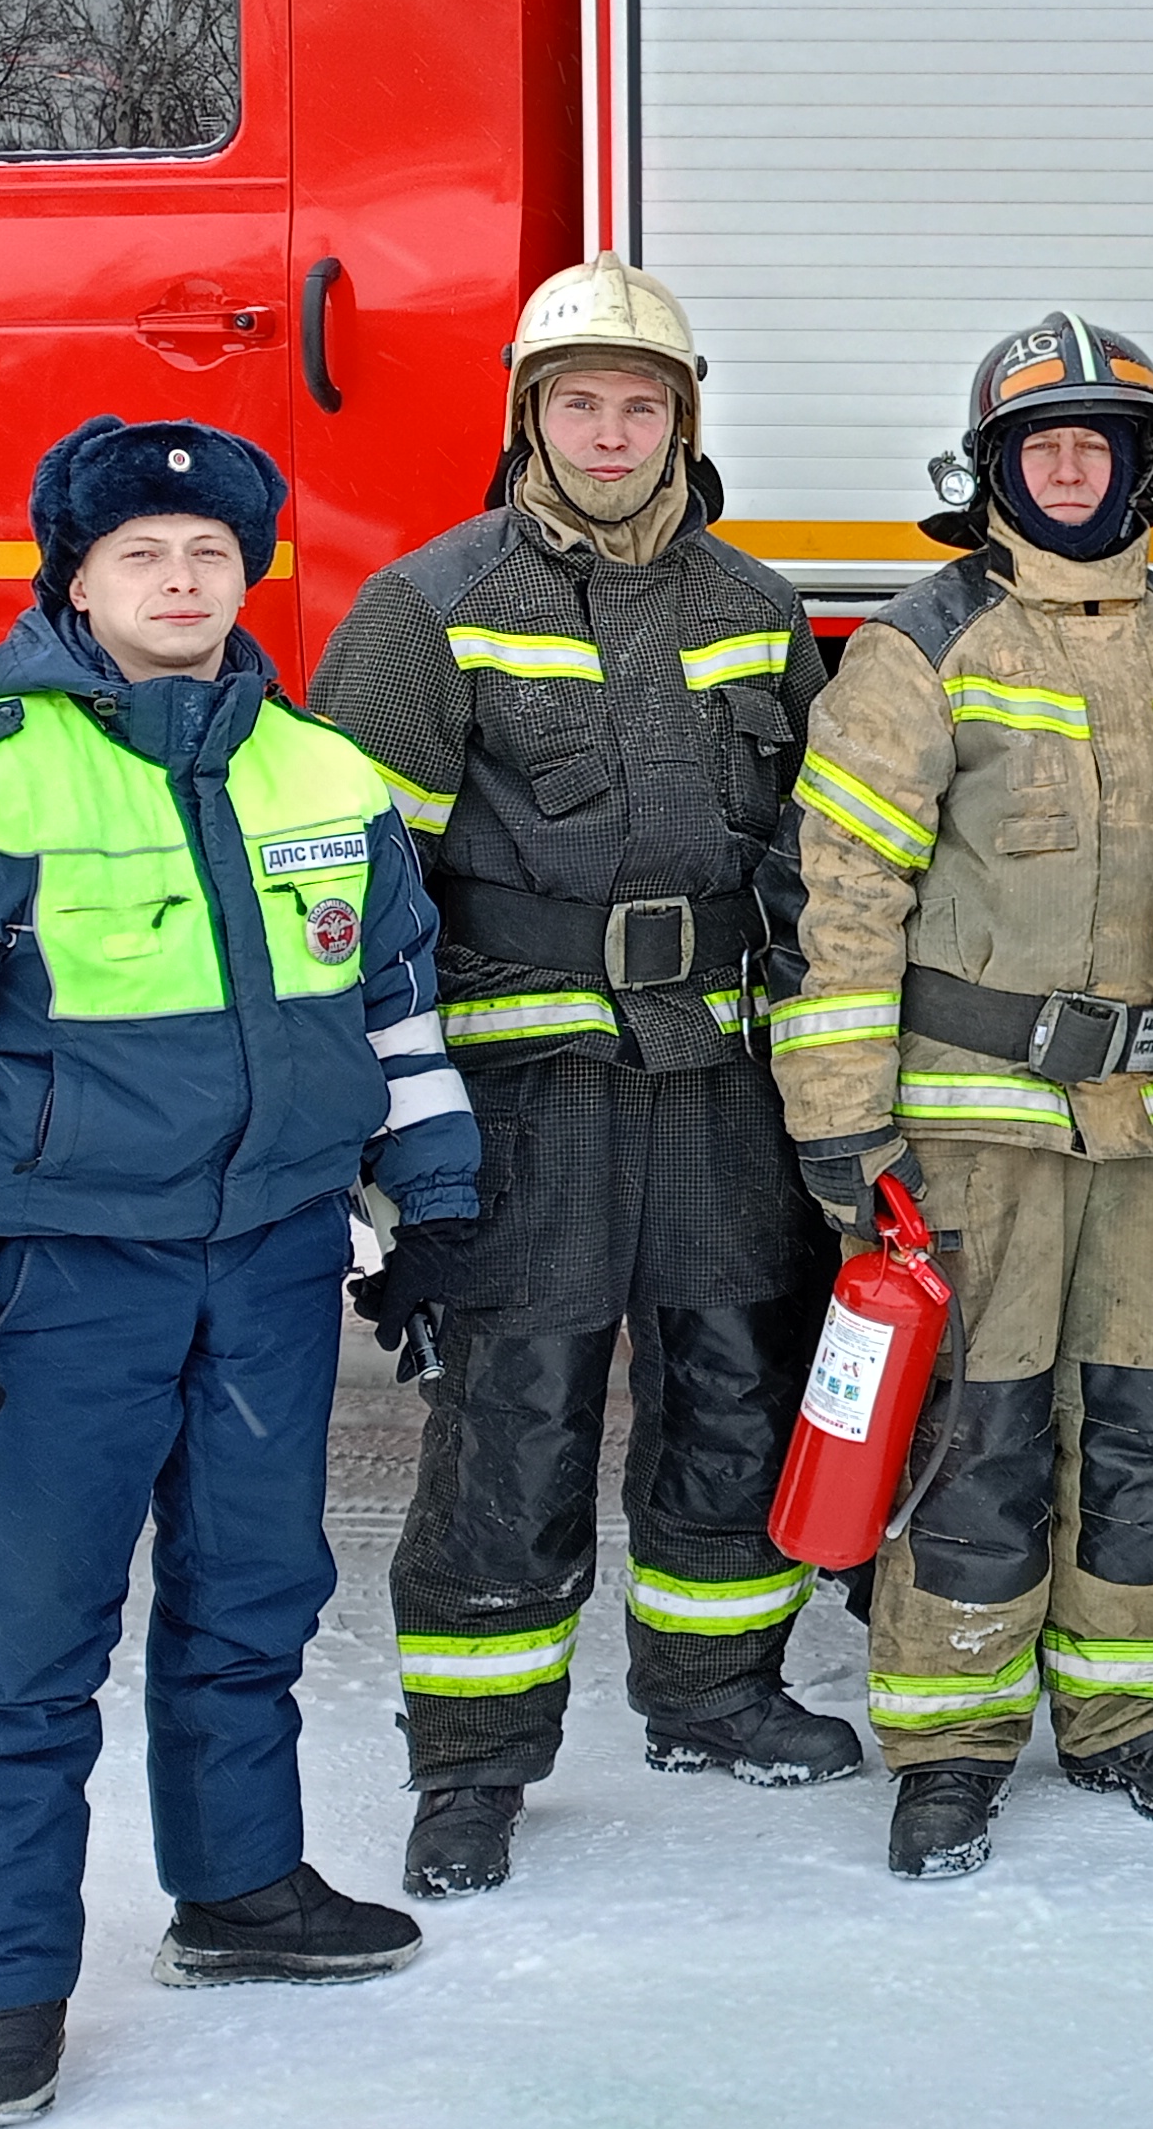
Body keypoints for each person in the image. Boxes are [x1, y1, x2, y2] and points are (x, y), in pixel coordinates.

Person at [0, 416, 478, 2129]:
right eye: (140, 556)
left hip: (271, 1266)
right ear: (75, 581)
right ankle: (1, 1989)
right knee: (33, 1635)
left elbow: (397, 1012)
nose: (179, 582)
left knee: (255, 1594)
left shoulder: (323, 776)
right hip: (65, 1278)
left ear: (250, 576)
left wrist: (437, 1207)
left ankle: (239, 1894)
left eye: (210, 556)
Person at [312, 257, 848, 1901]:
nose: (611, 435)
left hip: (718, 1075)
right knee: (517, 1411)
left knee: (737, 1385)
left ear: (683, 422)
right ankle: (474, 1757)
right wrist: (375, 1134)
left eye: (640, 406)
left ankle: (713, 1688)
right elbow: (349, 894)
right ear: (527, 420)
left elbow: (821, 866)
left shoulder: (753, 609)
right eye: (578, 405)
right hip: (524, 1085)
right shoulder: (426, 606)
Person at [778, 314, 1153, 1880]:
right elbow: (846, 904)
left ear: (1144, 470)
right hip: (971, 1126)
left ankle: (1140, 1713)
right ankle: (951, 1739)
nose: (1067, 469)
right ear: (990, 470)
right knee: (974, 1442)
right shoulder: (920, 651)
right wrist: (842, 1121)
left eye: (1094, 445)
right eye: (1040, 445)